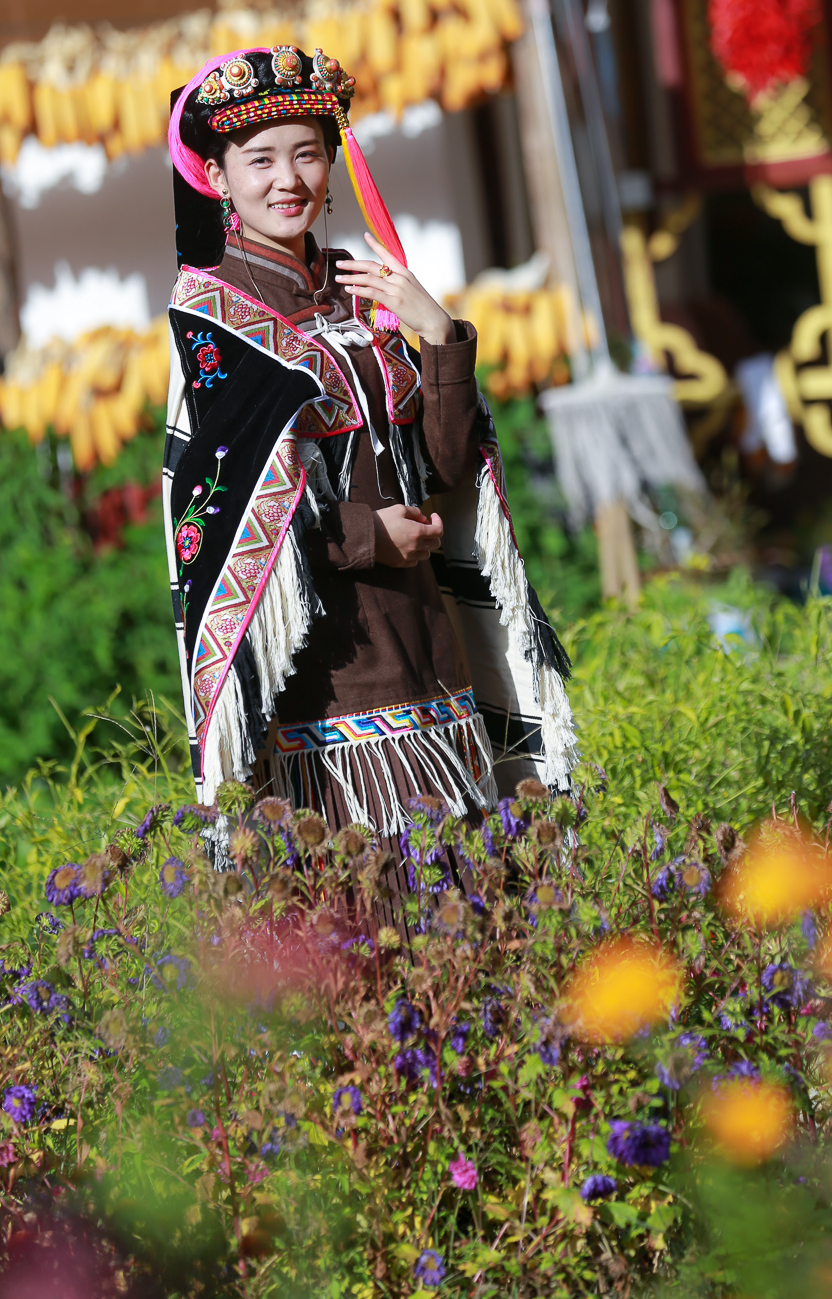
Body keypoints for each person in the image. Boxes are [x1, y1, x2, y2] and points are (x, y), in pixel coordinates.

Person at [162, 45, 575, 900]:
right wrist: (364, 537)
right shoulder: (209, 318)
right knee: (365, 912)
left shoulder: (364, 294)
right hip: (325, 676)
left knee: (471, 910)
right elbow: (216, 520)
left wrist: (438, 333)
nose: (289, 179)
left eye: (307, 153)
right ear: (217, 175)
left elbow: (447, 467)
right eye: (261, 160)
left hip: (429, 645)